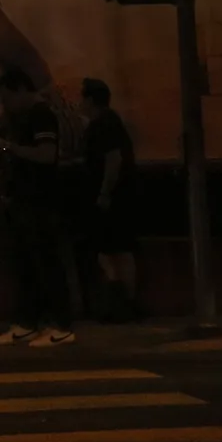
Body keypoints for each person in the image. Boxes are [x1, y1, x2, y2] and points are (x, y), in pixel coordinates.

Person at [0, 67, 75, 346]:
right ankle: (27, 321)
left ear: (20, 91)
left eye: (7, 98)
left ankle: (61, 325)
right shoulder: (24, 118)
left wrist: (9, 148)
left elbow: (46, 154)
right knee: (26, 265)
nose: (5, 105)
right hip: (25, 201)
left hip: (41, 201)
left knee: (46, 263)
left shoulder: (41, 116)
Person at [80, 78, 141, 321]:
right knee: (113, 251)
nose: (79, 103)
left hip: (113, 199)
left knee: (115, 251)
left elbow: (113, 159)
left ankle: (123, 303)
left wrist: (104, 193)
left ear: (91, 100)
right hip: (116, 197)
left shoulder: (103, 124)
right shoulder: (109, 122)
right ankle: (123, 302)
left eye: (82, 98)